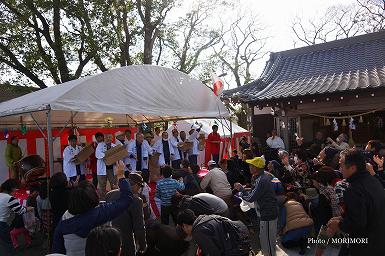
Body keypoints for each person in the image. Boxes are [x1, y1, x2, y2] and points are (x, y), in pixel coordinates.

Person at [52, 161, 133, 256]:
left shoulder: (63, 222)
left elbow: (57, 251)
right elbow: (126, 198)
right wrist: (121, 176)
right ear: (93, 197)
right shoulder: (102, 212)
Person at [327, 149, 385, 255]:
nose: (340, 169)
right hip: (379, 241)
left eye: (342, 166)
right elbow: (368, 211)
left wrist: (339, 224)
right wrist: (343, 218)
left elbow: (358, 223)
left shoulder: (353, 190)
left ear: (353, 168)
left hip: (365, 246)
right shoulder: (374, 181)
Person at [234, 157, 278, 256]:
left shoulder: (261, 179)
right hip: (269, 211)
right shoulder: (266, 175)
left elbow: (250, 198)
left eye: (251, 165)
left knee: (268, 242)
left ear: (256, 168)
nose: (249, 167)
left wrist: (241, 189)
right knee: (265, 239)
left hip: (267, 213)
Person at [177, 209, 250, 256]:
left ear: (184, 225)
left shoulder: (198, 231)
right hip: (241, 244)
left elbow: (213, 253)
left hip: (235, 251)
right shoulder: (206, 217)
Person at [106, 173, 147, 256]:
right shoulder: (136, 200)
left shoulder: (109, 194)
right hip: (125, 244)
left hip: (108, 241)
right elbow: (139, 228)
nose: (139, 190)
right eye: (139, 187)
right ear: (136, 185)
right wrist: (143, 246)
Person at [0, 179, 34, 255]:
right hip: (2, 224)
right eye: (15, 188)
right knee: (8, 246)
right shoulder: (9, 198)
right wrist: (30, 208)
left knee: (2, 246)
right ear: (11, 188)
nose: (16, 190)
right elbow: (20, 210)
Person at [95, 134, 117, 200]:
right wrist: (109, 156)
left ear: (112, 138)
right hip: (102, 170)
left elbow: (118, 156)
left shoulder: (115, 146)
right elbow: (98, 154)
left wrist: (112, 158)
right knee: (102, 187)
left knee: (114, 186)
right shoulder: (100, 145)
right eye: (106, 137)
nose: (108, 138)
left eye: (110, 137)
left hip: (112, 169)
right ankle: (102, 201)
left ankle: (114, 199)